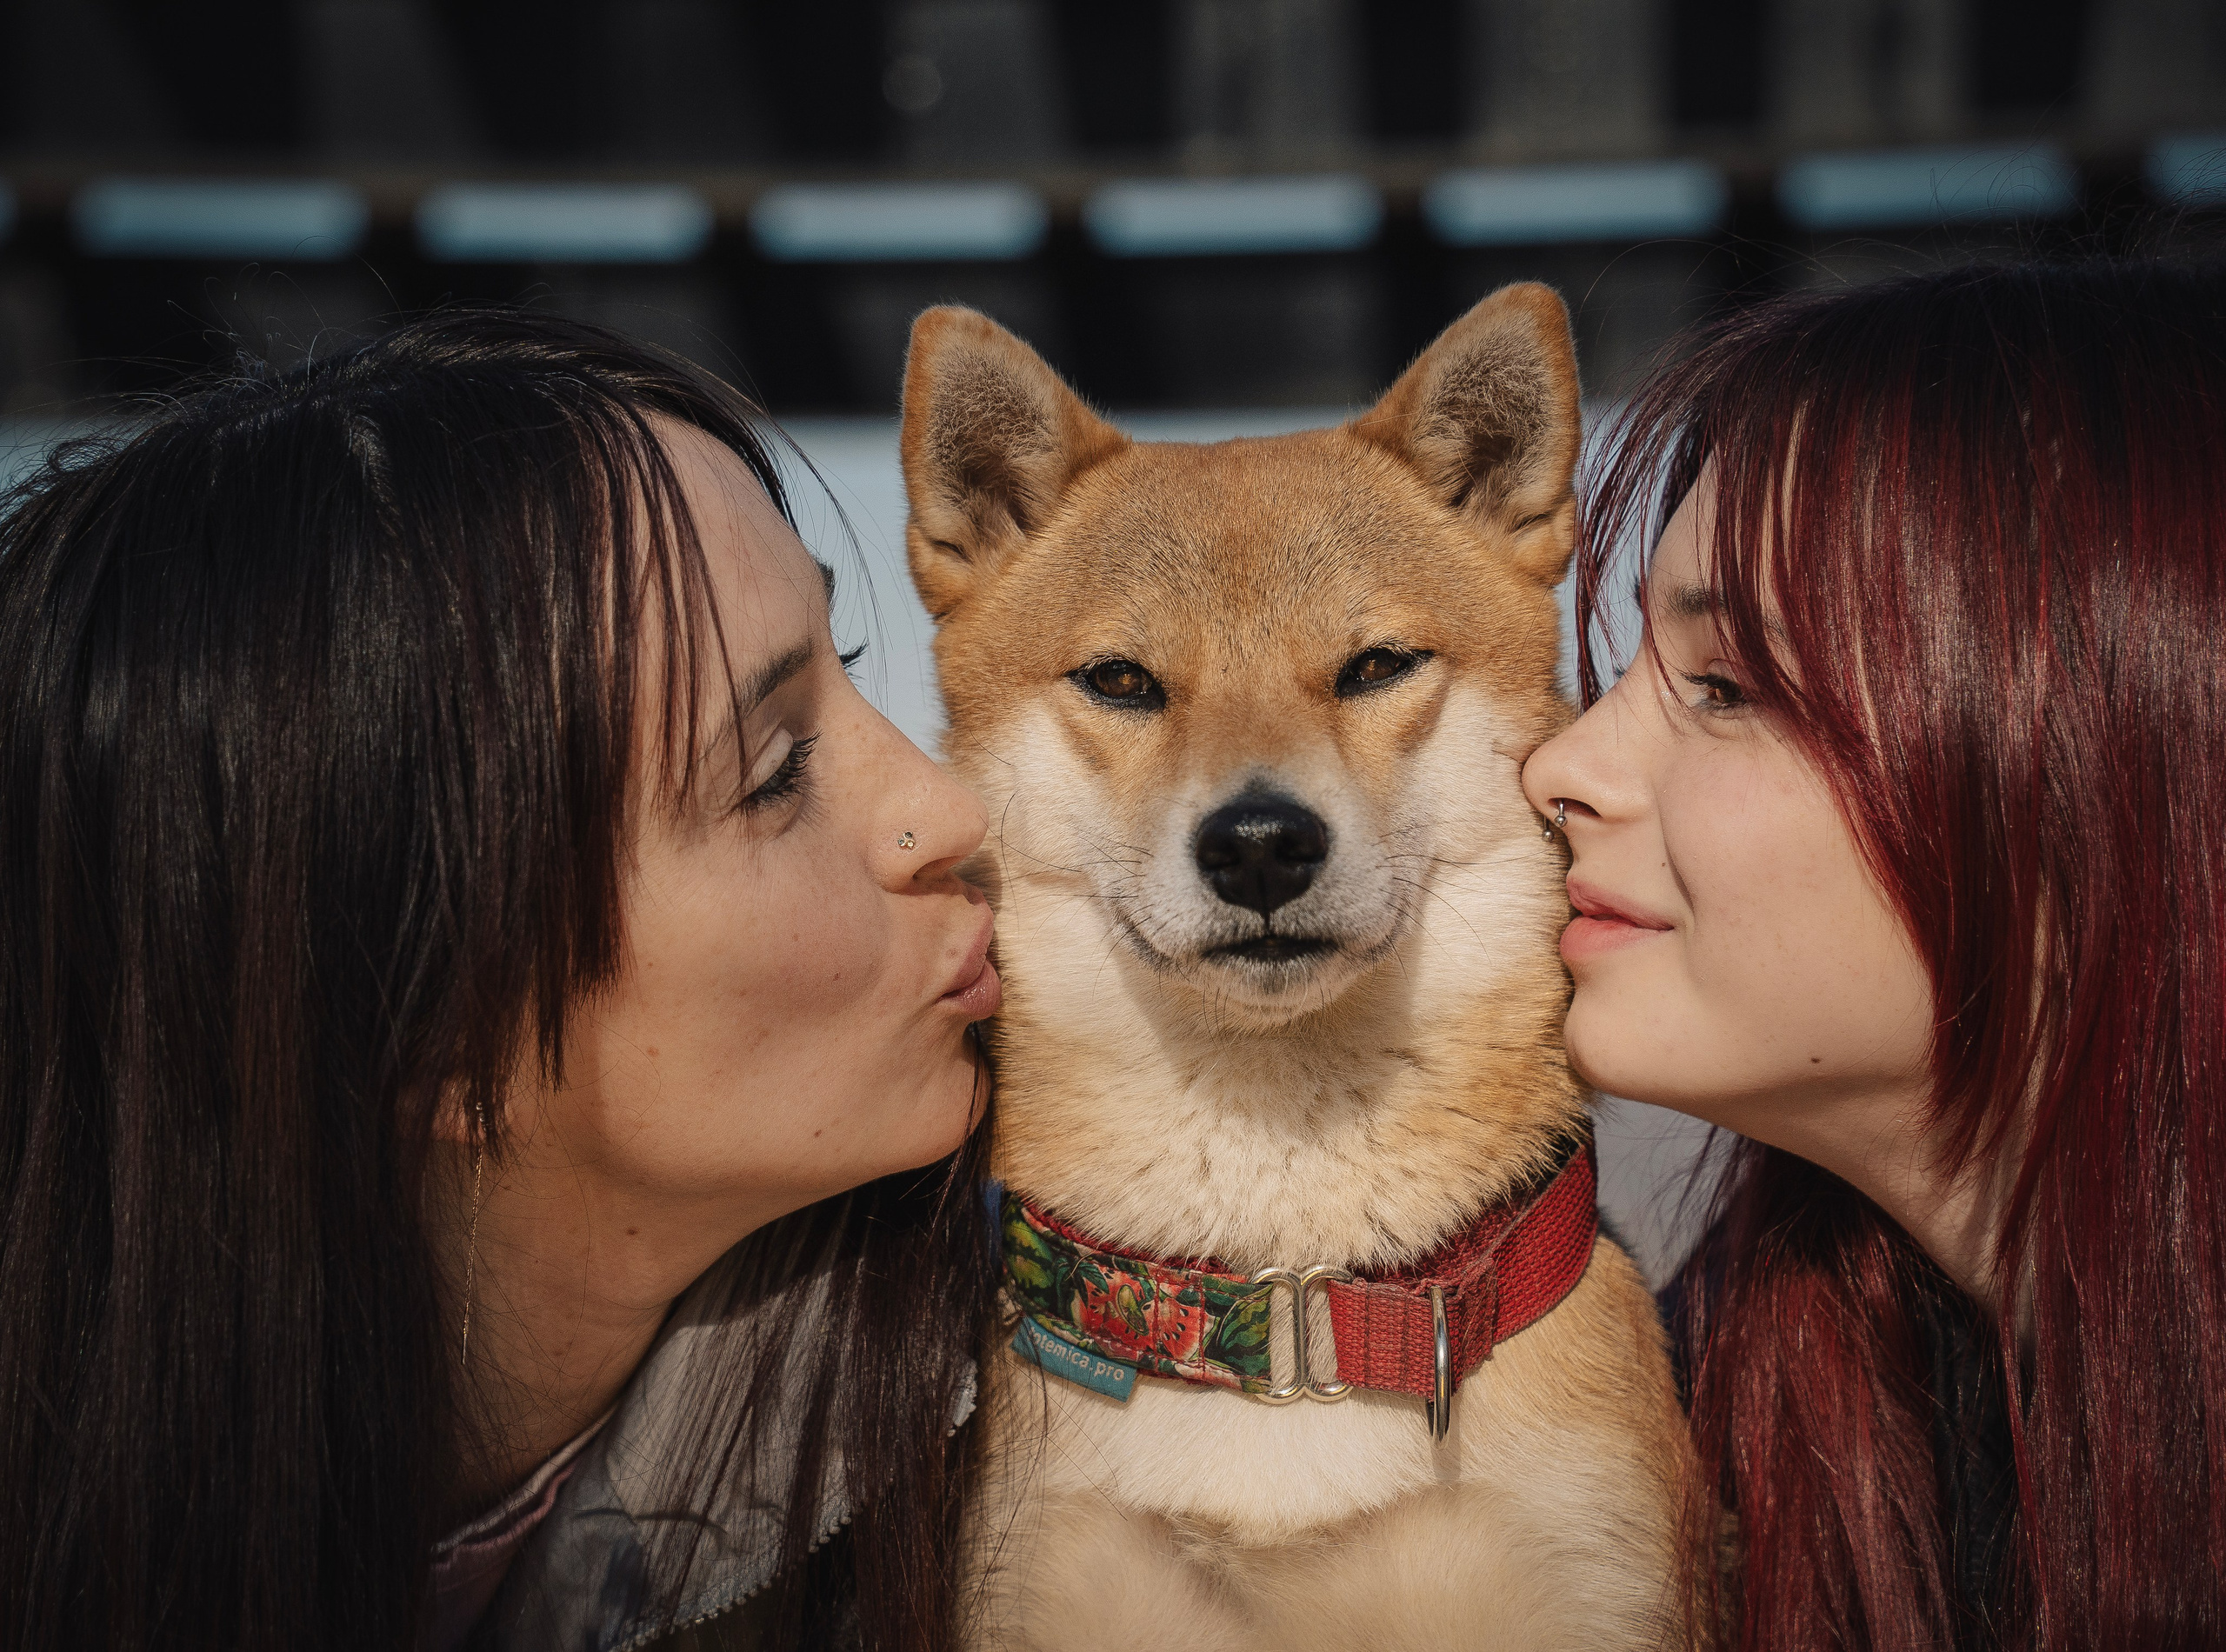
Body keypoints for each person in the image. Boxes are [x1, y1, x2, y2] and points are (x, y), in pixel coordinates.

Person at [0, 310, 1003, 1652]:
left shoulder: (1116, 1399)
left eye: (851, 666)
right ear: (434, 1032)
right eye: (773, 773)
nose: (948, 803)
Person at [1521, 257, 2225, 1651]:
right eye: (1621, 677)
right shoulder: (1757, 1413)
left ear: (2094, 766)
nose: (1558, 766)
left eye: (1725, 688)